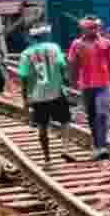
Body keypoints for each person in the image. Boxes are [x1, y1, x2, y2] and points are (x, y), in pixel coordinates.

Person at [16, 24, 70, 164]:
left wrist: (25, 99)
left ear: (33, 38)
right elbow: (63, 67)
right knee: (65, 121)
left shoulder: (26, 54)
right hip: (56, 93)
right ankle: (65, 149)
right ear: (46, 35)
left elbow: (24, 78)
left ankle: (47, 157)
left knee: (42, 126)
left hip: (38, 96)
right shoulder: (54, 48)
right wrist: (64, 81)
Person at [67, 16, 110, 161]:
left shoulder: (106, 42)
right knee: (92, 116)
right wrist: (72, 80)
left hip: (103, 84)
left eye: (95, 27)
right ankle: (97, 145)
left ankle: (102, 146)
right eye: (90, 28)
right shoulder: (76, 44)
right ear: (83, 29)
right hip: (86, 85)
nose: (93, 30)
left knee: (102, 114)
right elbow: (72, 63)